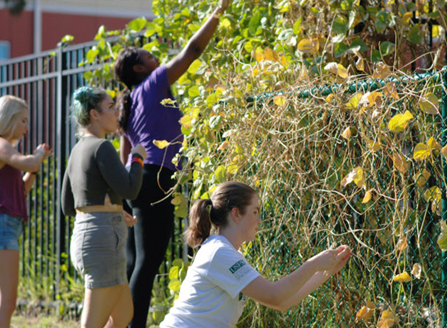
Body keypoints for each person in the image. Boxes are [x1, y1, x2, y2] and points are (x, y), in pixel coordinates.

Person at [113, 0, 230, 326]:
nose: (156, 58)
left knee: (135, 262)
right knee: (148, 263)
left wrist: (124, 196)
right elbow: (191, 51)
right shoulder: (153, 84)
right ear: (140, 69)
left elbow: (126, 156)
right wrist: (218, 11)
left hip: (137, 182)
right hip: (158, 178)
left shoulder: (128, 103)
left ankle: (121, 321)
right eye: (149, 56)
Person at [159, 181, 352, 328]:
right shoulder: (218, 252)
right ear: (236, 214)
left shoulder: (228, 254)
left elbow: (281, 302)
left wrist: (327, 271)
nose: (259, 220)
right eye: (255, 211)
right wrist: (314, 263)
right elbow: (274, 295)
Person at [60, 86, 147, 328]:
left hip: (88, 235)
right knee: (93, 323)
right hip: (102, 241)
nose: (117, 111)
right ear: (93, 114)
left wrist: (115, 210)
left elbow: (68, 205)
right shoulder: (102, 147)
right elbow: (130, 189)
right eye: (110, 107)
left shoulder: (77, 151)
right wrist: (137, 158)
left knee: (122, 315)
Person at [0, 95, 53, 328]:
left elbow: (21, 189)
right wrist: (37, 156)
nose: (26, 128)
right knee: (7, 302)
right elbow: (28, 163)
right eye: (23, 121)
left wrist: (36, 167)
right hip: (1, 225)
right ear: (7, 119)